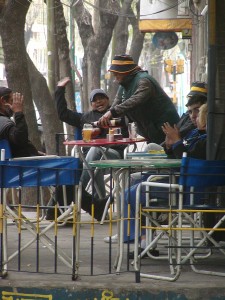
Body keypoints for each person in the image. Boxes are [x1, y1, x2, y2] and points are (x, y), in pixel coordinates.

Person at [0, 86, 106, 221]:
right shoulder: (2, 120)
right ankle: (78, 209)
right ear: (3, 101)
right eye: (12, 100)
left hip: (22, 164)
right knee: (74, 165)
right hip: (23, 168)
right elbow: (19, 138)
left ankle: (60, 211)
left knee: (68, 173)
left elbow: (14, 145)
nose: (17, 104)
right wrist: (19, 113)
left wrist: (34, 152)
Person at [55, 77, 129, 198]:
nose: (98, 102)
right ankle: (99, 200)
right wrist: (60, 89)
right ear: (91, 104)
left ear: (108, 100)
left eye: (101, 98)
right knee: (94, 163)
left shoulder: (118, 115)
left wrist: (104, 131)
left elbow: (124, 140)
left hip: (114, 156)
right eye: (95, 100)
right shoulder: (85, 117)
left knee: (96, 150)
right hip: (90, 160)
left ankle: (76, 193)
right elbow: (63, 114)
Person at [98, 54, 180, 144]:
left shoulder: (144, 80)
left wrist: (111, 112)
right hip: (150, 128)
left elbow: (135, 100)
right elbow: (117, 103)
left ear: (125, 71)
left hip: (166, 127)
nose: (115, 76)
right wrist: (107, 116)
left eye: (117, 73)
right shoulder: (124, 84)